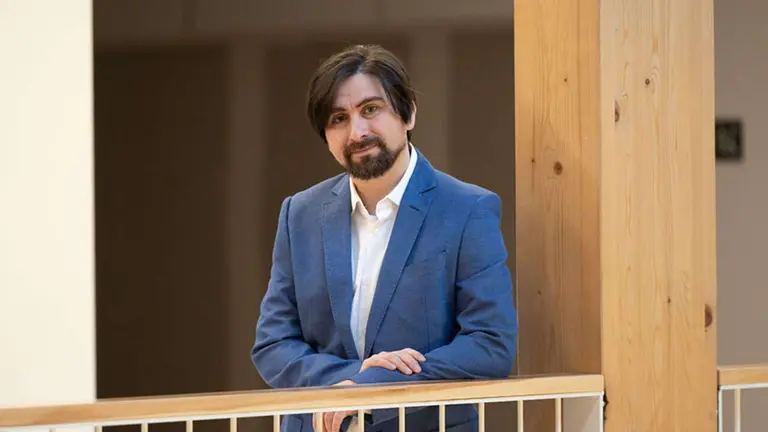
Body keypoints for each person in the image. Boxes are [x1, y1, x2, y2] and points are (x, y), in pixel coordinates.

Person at [251, 44, 517, 432]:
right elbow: (273, 345)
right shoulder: (300, 214)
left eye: (371, 109)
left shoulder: (467, 208)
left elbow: (491, 344)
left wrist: (374, 385)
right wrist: (352, 377)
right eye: (339, 118)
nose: (357, 132)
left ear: (408, 112)